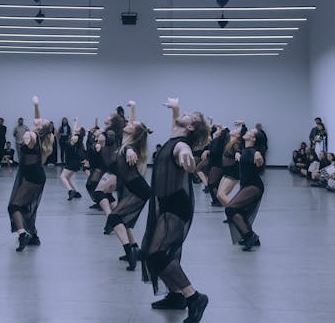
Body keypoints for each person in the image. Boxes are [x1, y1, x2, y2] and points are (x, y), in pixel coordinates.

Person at [141, 97, 210, 323]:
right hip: (168, 205)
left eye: (190, 115)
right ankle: (175, 295)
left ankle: (193, 297)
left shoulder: (181, 145)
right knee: (153, 255)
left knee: (157, 254)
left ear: (190, 127)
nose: (185, 114)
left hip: (176, 206)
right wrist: (175, 108)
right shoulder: (174, 136)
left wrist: (186, 158)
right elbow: (177, 127)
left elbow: (183, 151)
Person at [107, 101, 151, 270]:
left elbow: (130, 148)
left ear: (134, 132)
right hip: (133, 190)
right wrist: (133, 108)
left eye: (132, 124)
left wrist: (130, 151)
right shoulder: (125, 140)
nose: (129, 123)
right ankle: (134, 250)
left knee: (114, 218)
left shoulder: (130, 147)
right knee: (122, 221)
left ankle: (131, 255)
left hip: (139, 192)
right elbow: (134, 128)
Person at [7, 96, 54, 252]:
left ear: (41, 127)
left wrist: (27, 136)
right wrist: (36, 105)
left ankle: (23, 235)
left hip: (33, 177)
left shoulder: (33, 136)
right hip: (34, 176)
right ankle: (34, 236)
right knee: (25, 208)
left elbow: (33, 130)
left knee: (14, 206)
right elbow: (37, 118)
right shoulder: (41, 136)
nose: (39, 120)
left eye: (42, 121)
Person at [225, 128, 265, 251]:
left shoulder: (255, 151)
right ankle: (253, 237)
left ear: (253, 139)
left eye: (250, 132)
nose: (246, 132)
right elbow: (237, 149)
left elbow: (259, 158)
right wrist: (237, 153)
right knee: (240, 212)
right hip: (247, 185)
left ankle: (249, 236)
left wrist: (258, 154)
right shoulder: (244, 149)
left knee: (230, 209)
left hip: (254, 186)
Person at [59, 120, 84, 200]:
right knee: (68, 178)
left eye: (78, 128)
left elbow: (73, 132)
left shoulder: (75, 137)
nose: (76, 128)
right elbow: (74, 129)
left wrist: (76, 123)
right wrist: (76, 121)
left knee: (62, 176)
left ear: (79, 132)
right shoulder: (78, 137)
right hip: (73, 161)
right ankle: (76, 192)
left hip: (73, 162)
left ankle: (70, 191)